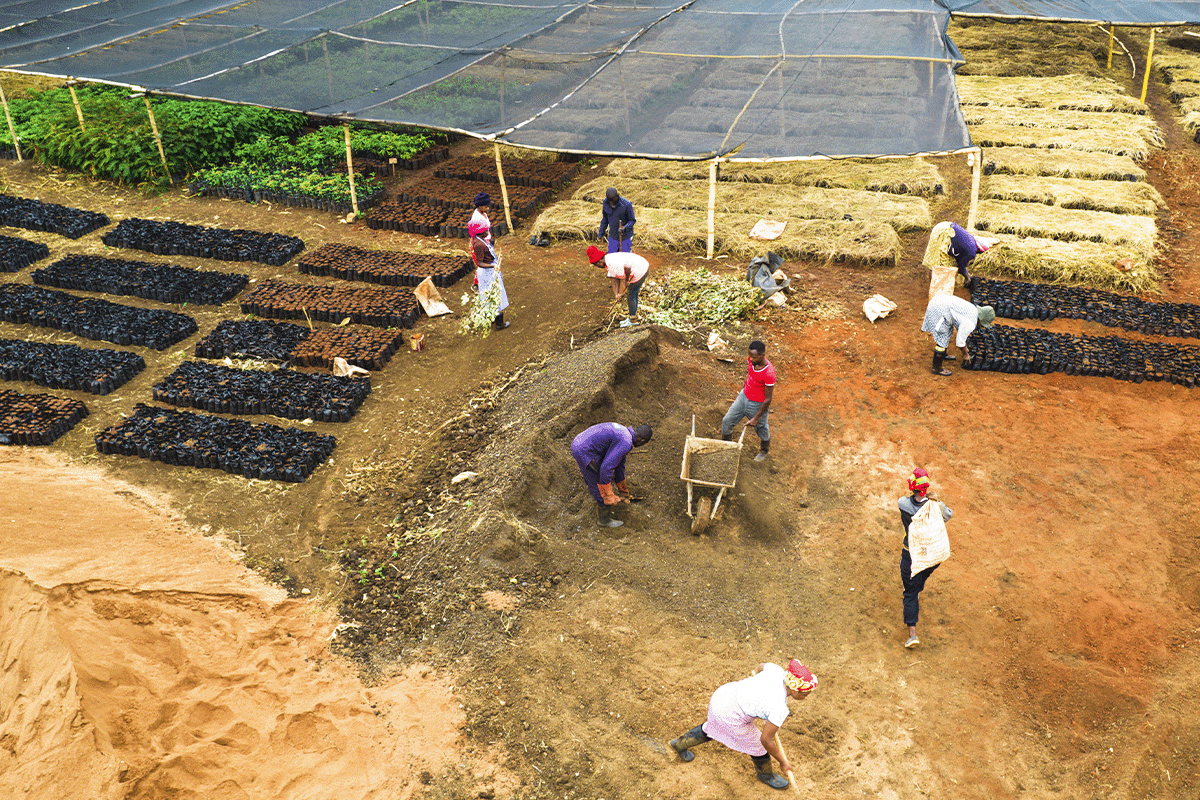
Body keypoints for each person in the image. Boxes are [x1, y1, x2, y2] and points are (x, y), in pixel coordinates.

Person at [669, 659, 817, 791]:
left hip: (723, 696)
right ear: (794, 689)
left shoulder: (776, 670)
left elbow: (760, 667)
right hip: (731, 715)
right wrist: (783, 762)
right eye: (805, 694)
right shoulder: (779, 708)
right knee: (758, 746)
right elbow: (766, 740)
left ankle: (679, 744)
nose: (805, 697)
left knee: (713, 726)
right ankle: (766, 775)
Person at [897, 468, 953, 648]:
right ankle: (917, 586)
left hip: (912, 554)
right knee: (921, 577)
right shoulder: (935, 507)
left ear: (912, 487)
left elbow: (906, 501)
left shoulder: (903, 504)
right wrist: (935, 502)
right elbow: (948, 515)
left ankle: (912, 634)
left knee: (910, 592)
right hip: (932, 555)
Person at [570, 422, 652, 528]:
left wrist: (623, 492)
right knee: (597, 479)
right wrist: (608, 495)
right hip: (584, 450)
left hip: (582, 441)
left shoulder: (625, 435)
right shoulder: (626, 442)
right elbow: (606, 468)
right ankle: (604, 520)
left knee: (601, 473)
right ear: (642, 440)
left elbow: (620, 466)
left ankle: (595, 486)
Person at [720, 340, 774, 462]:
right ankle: (726, 448)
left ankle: (764, 450)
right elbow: (750, 375)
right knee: (727, 421)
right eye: (750, 356)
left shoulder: (769, 373)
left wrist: (756, 418)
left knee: (761, 427)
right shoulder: (752, 360)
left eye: (754, 357)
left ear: (762, 355)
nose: (751, 359)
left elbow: (768, 399)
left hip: (757, 404)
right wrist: (744, 390)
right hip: (743, 396)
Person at [921, 294, 994, 376]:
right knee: (943, 336)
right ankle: (936, 368)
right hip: (938, 309)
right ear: (981, 320)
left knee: (948, 331)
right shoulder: (971, 323)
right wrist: (965, 353)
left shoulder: (973, 309)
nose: (981, 326)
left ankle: (943, 354)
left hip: (940, 302)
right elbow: (960, 341)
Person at [923, 221, 992, 300]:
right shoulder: (972, 251)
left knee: (937, 260)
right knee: (938, 264)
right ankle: (936, 290)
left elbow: (959, 258)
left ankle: (935, 284)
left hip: (943, 226)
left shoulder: (972, 240)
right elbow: (961, 266)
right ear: (979, 250)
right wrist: (967, 277)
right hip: (943, 233)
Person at [586, 244, 649, 327]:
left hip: (640, 269)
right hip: (639, 266)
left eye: (596, 265)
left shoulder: (612, 263)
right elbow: (614, 277)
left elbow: (627, 268)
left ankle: (633, 321)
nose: (597, 267)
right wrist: (616, 294)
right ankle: (632, 317)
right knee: (634, 293)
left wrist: (626, 283)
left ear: (600, 261)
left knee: (631, 294)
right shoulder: (607, 262)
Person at [469, 219, 510, 330]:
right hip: (487, 273)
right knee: (495, 295)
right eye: (486, 230)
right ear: (480, 231)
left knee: (490, 295)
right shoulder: (478, 244)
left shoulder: (480, 239)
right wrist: (493, 266)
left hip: (489, 270)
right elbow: (480, 263)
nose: (488, 231)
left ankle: (492, 318)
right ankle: (499, 324)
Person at [598, 187, 635, 253]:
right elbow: (605, 219)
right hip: (613, 236)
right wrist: (601, 233)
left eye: (613, 200)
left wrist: (625, 228)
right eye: (609, 201)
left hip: (625, 237)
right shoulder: (605, 203)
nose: (611, 203)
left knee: (625, 256)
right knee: (612, 256)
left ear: (617, 196)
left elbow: (632, 220)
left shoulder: (626, 204)